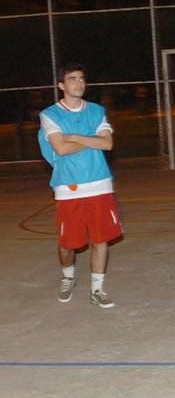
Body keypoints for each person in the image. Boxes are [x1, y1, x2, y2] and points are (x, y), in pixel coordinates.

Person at [38, 63, 122, 309]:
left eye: (82, 78)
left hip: (100, 183)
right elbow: (60, 148)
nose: (79, 83)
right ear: (61, 85)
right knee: (69, 244)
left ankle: (97, 289)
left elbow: (107, 144)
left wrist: (74, 136)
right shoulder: (50, 114)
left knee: (101, 239)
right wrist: (92, 140)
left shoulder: (96, 110)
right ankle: (68, 278)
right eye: (72, 79)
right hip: (68, 186)